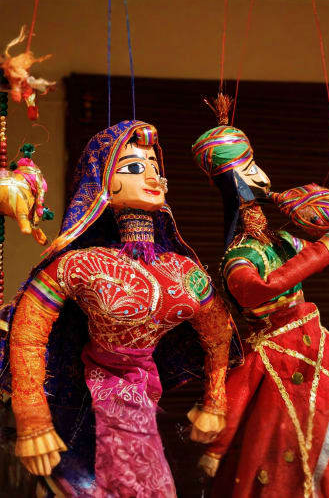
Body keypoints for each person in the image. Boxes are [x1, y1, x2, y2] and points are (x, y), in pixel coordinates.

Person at [0, 120, 234, 497]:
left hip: (146, 398)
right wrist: (32, 419)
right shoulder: (81, 264)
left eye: (155, 167)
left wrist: (215, 402)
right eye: (134, 167)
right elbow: (28, 333)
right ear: (103, 181)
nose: (153, 177)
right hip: (90, 404)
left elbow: (219, 334)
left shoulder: (183, 270)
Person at [191, 98, 329, 498]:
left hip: (317, 352)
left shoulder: (280, 241)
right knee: (281, 458)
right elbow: (261, 288)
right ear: (232, 180)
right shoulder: (240, 256)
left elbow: (325, 250)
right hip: (280, 359)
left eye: (255, 163)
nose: (261, 175)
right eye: (248, 169)